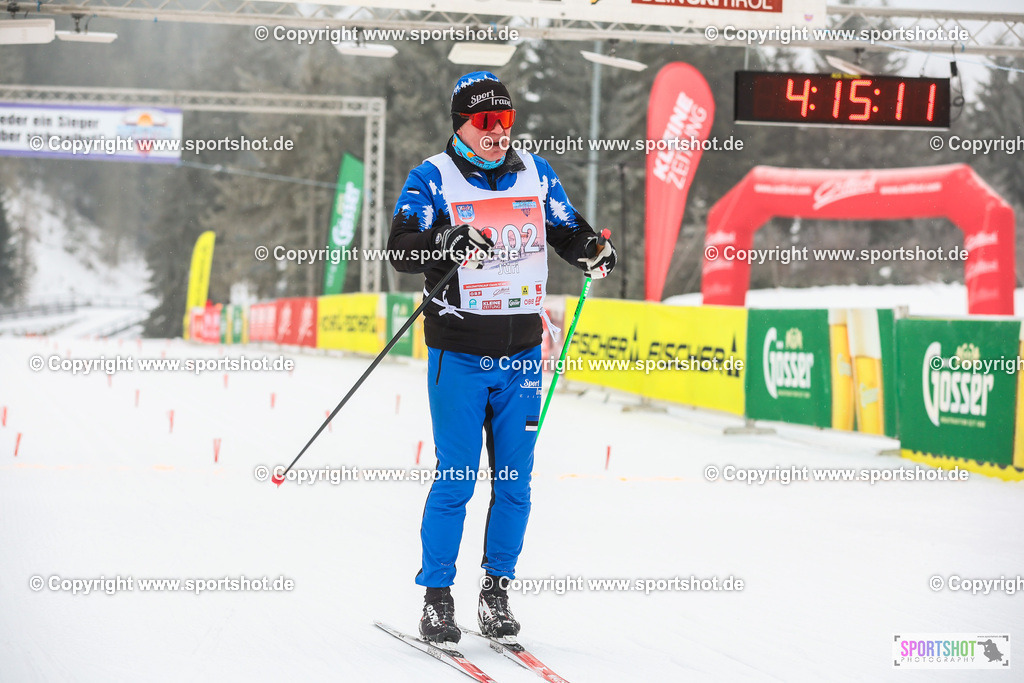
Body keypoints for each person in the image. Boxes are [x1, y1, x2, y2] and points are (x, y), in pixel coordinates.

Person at [388, 71, 616, 646]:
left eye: (506, 122)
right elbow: (400, 246)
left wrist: (592, 249)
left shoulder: (536, 173)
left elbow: (567, 230)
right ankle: (437, 597)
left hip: (521, 357)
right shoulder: (431, 179)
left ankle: (496, 591)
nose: (497, 133)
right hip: (459, 353)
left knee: (515, 481)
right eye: (486, 123)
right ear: (460, 125)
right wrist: (446, 241)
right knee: (457, 478)